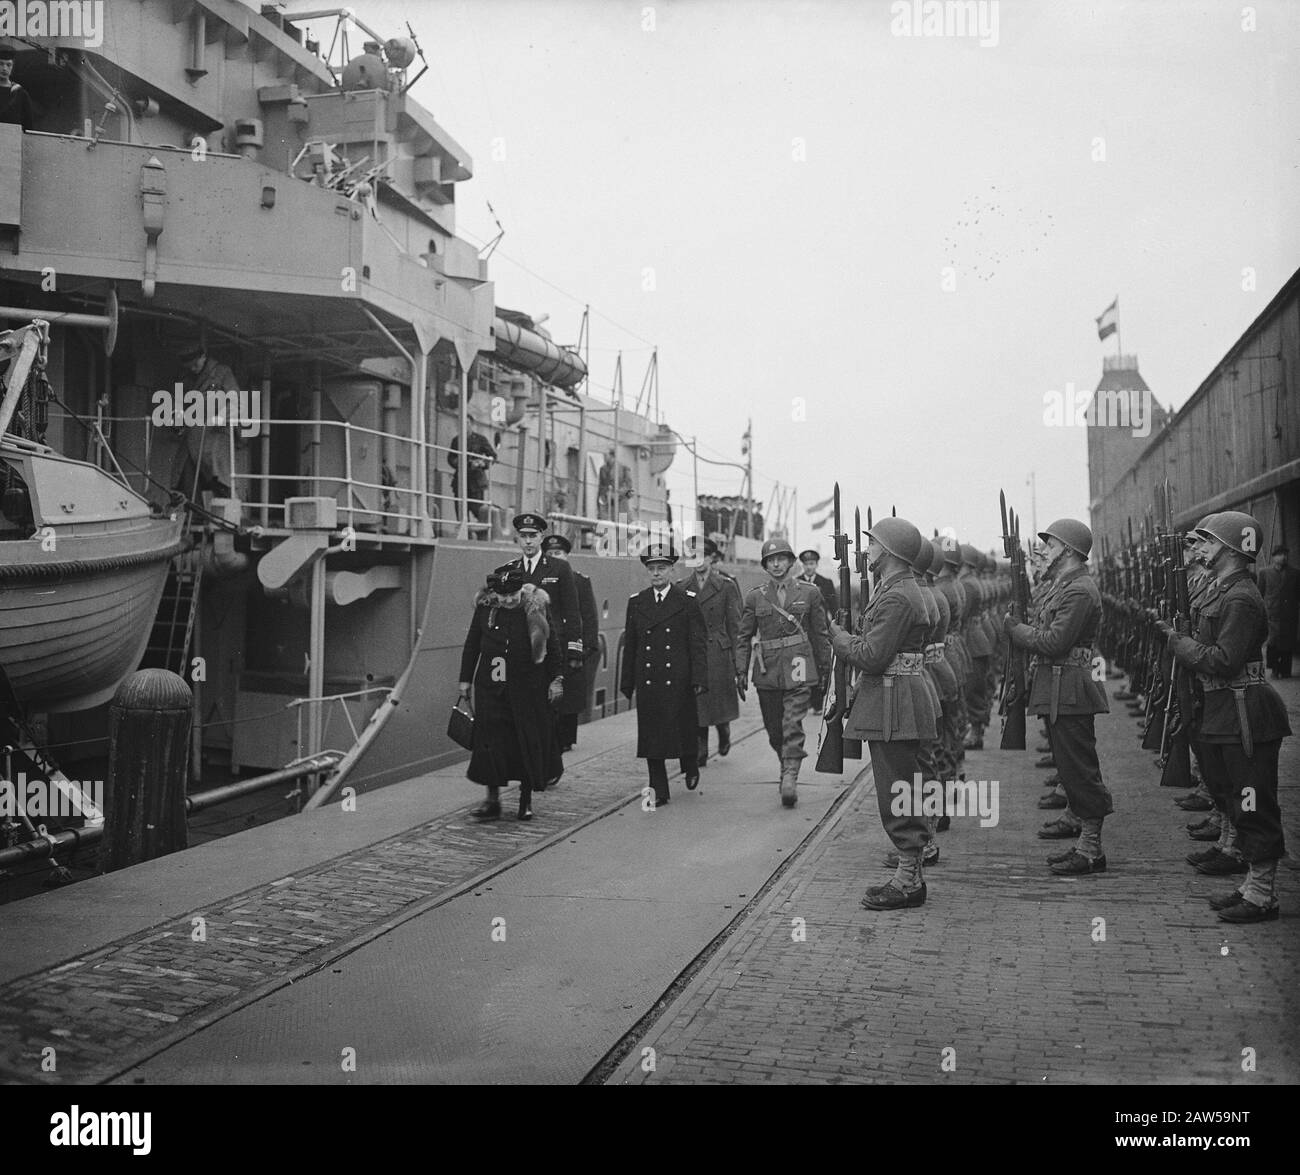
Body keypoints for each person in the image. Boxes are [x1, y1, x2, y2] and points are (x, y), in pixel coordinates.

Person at [1159, 512, 1291, 923]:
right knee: (1236, 794)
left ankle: (1262, 892)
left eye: (1210, 541)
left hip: (1245, 712)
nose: (1202, 548)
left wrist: (1179, 643)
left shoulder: (1239, 597)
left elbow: (1224, 659)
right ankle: (1251, 883)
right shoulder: (1227, 590)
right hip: (1226, 711)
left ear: (1231, 549)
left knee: (1253, 800)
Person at [827, 517, 937, 910]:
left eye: (872, 544)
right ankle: (909, 872)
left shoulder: (897, 596)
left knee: (897, 788)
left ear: (888, 552)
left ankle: (908, 881)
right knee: (904, 784)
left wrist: (839, 638)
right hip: (896, 697)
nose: (867, 550)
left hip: (896, 701)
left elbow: (872, 656)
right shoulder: (897, 589)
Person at [1004, 519, 1113, 876]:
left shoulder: (1079, 590)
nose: (1045, 552)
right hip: (1058, 685)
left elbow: (1054, 641)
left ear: (1067, 550)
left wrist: (1017, 631)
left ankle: (1091, 849)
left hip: (1071, 688)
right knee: (1069, 766)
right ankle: (1083, 840)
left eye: (1050, 546)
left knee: (1080, 769)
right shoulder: (1064, 586)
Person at [457, 567, 564, 822]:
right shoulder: (486, 609)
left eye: (512, 594)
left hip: (528, 690)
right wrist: (464, 680)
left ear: (521, 590)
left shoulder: (534, 610)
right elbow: (472, 644)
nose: (508, 600)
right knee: (490, 746)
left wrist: (556, 680)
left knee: (524, 744)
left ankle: (525, 802)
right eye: (502, 595)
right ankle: (492, 801)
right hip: (491, 691)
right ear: (495, 593)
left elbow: (553, 646)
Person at [736, 537, 831, 808]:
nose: (776, 564)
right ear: (765, 565)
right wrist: (740, 670)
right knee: (774, 730)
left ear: (791, 562)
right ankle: (785, 763)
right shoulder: (755, 596)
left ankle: (790, 775)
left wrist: (825, 669)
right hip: (767, 670)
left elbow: (820, 633)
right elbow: (744, 636)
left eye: (781, 559)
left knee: (792, 722)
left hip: (799, 665)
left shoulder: (809, 593)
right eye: (771, 560)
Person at [498, 512, 585, 784]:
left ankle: (551, 767)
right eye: (523, 537)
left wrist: (573, 650)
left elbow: (572, 611)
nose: (527, 542)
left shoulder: (558, 569)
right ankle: (534, 767)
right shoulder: (509, 570)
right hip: (520, 653)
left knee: (549, 711)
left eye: (532, 536)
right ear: (517, 538)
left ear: (541, 538)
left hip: (551, 651)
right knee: (526, 713)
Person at [620, 542, 708, 808]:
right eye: (652, 569)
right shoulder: (637, 602)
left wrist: (699, 678)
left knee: (684, 727)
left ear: (671, 570)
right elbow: (631, 645)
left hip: (678, 678)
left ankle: (690, 762)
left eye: (662, 568)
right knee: (650, 735)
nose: (656, 573)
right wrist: (627, 682)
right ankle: (659, 788)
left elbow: (697, 642)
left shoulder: (686, 601)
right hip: (649, 680)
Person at [680, 537, 741, 765]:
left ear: (711, 558)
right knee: (698, 702)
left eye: (703, 555)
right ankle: (700, 749)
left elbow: (736, 626)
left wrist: (739, 662)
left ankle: (723, 729)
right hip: (694, 651)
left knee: (718, 702)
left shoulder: (726, 586)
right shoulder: (682, 587)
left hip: (718, 650)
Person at [541, 533, 599, 751]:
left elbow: (589, 616)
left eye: (558, 553)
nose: (554, 557)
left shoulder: (579, 581)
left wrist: (586, 647)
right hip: (548, 644)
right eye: (550, 554)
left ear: (566, 556)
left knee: (570, 695)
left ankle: (566, 738)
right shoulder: (542, 580)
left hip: (570, 646)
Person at [169, 343, 242, 499]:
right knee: (184, 476)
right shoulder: (184, 378)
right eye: (190, 366)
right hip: (192, 435)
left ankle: (226, 515)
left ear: (203, 357)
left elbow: (235, 400)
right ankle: (193, 516)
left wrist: (222, 416)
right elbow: (178, 403)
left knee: (219, 476)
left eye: (196, 364)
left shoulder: (222, 372)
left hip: (215, 434)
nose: (193, 369)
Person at [1257, 546, 1299, 678]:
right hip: (1271, 613)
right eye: (1280, 554)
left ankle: (1286, 670)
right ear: (1274, 557)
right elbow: (1260, 592)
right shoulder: (1264, 573)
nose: (1283, 557)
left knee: (1287, 642)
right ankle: (1274, 668)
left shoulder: (1295, 573)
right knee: (1272, 642)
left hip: (1289, 614)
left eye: (1285, 554)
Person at [448, 431, 496, 537]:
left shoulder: (480, 439)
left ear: (471, 423)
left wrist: (482, 463)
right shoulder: (456, 440)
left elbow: (492, 456)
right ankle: (466, 536)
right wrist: (462, 462)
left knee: (478, 510)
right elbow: (451, 459)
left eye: (467, 422)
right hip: (461, 480)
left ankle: (484, 534)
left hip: (476, 481)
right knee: (461, 511)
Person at [797, 549, 839, 619]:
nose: (808, 567)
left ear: (816, 565)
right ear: (803, 565)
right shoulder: (796, 582)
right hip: (801, 624)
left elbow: (833, 607)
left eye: (811, 564)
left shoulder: (826, 583)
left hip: (822, 623)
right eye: (806, 564)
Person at [0, 49, 34, 131]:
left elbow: (28, 123)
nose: (4, 68)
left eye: (8, 65)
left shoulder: (19, 92)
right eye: (1, 64)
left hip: (12, 138)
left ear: (12, 67)